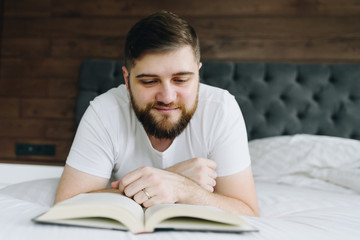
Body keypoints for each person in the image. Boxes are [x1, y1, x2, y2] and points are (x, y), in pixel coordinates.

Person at [55, 10, 259, 217]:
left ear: (198, 74)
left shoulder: (221, 109)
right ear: (127, 80)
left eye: (181, 80)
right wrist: (169, 177)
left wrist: (183, 188)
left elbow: (248, 211)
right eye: (149, 81)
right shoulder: (104, 112)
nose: (167, 97)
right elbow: (67, 204)